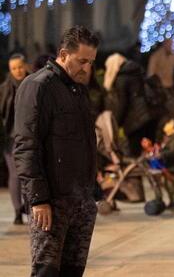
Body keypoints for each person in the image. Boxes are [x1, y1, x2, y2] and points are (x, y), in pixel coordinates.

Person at [13, 26, 101, 276]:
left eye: (91, 62)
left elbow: (85, 142)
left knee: (73, 271)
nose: (87, 68)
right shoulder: (38, 86)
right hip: (52, 202)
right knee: (47, 271)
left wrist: (92, 191)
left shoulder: (77, 89)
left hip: (81, 200)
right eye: (82, 61)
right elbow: (26, 145)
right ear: (63, 54)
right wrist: (38, 199)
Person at [104, 53, 158, 156]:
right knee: (150, 151)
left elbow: (122, 104)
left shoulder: (122, 78)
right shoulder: (137, 72)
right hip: (151, 116)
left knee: (135, 153)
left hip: (136, 121)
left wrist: (116, 123)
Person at [1, 53, 29, 225]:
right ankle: (18, 210)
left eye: (20, 67)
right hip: (10, 137)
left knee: (29, 172)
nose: (17, 71)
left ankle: (29, 206)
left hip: (30, 136)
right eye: (14, 68)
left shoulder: (34, 84)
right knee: (15, 174)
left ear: (25, 66)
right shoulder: (4, 89)